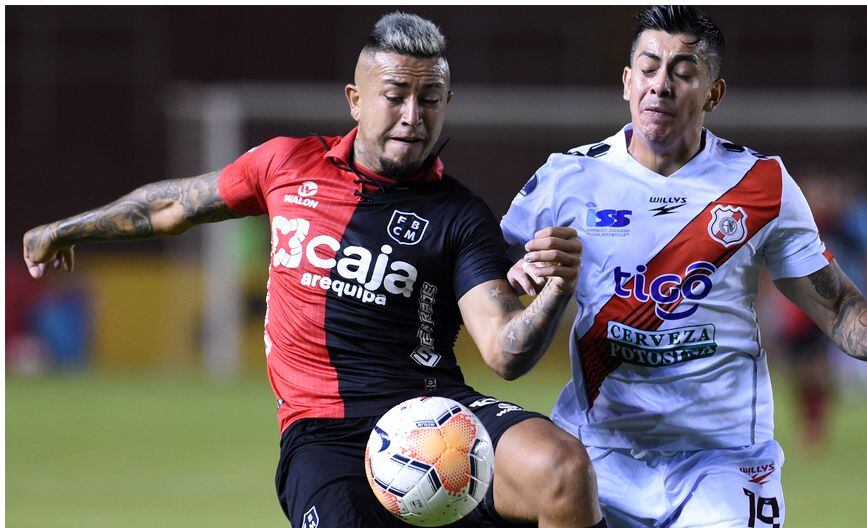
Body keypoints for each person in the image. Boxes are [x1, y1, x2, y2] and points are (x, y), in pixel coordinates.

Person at [23, 12, 606, 528]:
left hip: (435, 415)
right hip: (326, 435)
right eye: (395, 95)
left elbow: (504, 352)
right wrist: (66, 228)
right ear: (355, 99)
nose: (412, 115)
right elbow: (173, 205)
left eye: (429, 99)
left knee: (563, 469)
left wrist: (557, 289)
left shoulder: (459, 215)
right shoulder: (285, 164)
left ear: (446, 103)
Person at [501, 6, 867, 528]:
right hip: (597, 456)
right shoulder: (567, 177)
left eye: (683, 72)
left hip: (724, 461)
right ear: (627, 82)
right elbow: (490, 275)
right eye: (648, 69)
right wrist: (517, 278)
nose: (661, 85)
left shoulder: (761, 184)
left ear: (713, 93)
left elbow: (833, 304)